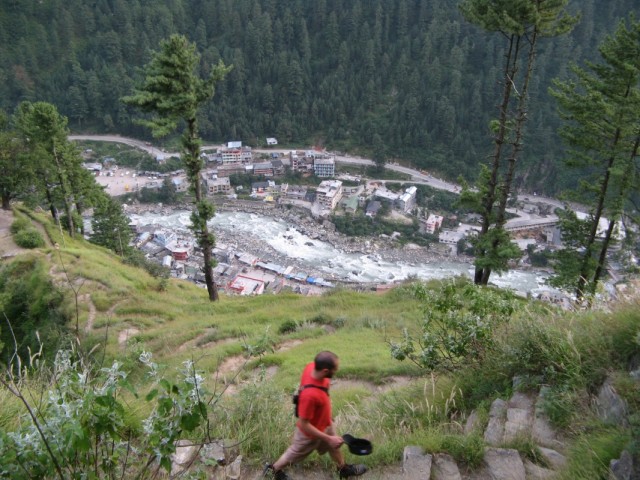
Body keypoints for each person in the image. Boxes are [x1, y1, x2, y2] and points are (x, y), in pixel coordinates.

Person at [264, 351, 367, 479]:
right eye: (334, 369)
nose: (336, 371)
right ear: (325, 371)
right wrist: (328, 438)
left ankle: (342, 469)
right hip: (309, 434)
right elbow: (304, 424)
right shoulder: (309, 395)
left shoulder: (311, 367)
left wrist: (328, 420)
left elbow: (323, 396)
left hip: (325, 423)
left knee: (334, 445)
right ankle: (273, 470)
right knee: (294, 453)